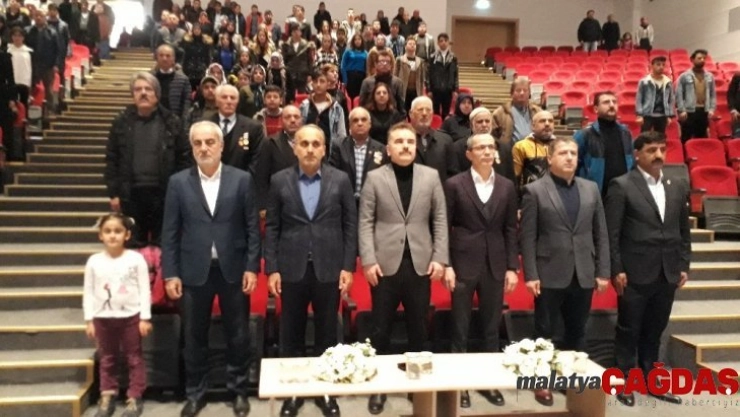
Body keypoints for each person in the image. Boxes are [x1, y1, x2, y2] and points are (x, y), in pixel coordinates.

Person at [162, 120, 261, 417]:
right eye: (198, 143)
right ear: (192, 147)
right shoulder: (178, 182)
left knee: (238, 335)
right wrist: (171, 272)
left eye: (209, 142)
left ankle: (238, 391)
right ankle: (195, 393)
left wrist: (252, 267)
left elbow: (252, 228)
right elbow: (170, 232)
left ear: (221, 145)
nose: (204, 148)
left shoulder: (242, 179)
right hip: (193, 271)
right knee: (194, 336)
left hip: (233, 269)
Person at [265, 124, 356, 417]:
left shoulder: (341, 180)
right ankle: (293, 392)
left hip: (329, 267)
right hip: (291, 267)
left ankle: (325, 391)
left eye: (316, 144)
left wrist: (348, 266)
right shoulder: (279, 180)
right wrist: (272, 268)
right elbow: (273, 228)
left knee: (327, 333)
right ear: (295, 148)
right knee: (291, 334)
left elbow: (350, 226)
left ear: (324, 149)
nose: (310, 149)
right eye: (304, 143)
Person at [359, 122, 448, 415]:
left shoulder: (431, 176)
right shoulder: (374, 178)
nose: (405, 146)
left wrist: (440, 257)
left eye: (410, 141)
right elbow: (365, 221)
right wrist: (368, 260)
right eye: (399, 142)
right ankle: (379, 387)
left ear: (416, 145)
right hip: (384, 265)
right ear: (388, 148)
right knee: (380, 330)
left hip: (420, 264)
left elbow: (439, 219)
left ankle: (417, 388)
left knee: (418, 329)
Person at [520, 137, 610, 407]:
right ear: (550, 158)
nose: (570, 157)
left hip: (583, 271)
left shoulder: (591, 188)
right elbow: (528, 237)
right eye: (563, 153)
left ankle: (573, 380)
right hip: (549, 271)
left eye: (573, 153)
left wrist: (603, 270)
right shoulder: (534, 191)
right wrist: (531, 274)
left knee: (577, 330)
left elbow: (601, 233)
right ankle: (542, 382)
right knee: (544, 331)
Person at [605, 132, 690, 408]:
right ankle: (624, 381)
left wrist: (684, 264)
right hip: (634, 271)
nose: (659, 155)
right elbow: (612, 232)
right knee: (629, 329)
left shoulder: (676, 185)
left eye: (662, 149)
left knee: (656, 329)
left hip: (667, 271)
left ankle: (652, 380)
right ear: (637, 154)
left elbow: (683, 230)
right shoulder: (621, 185)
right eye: (652, 150)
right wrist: (616, 268)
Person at [444, 133, 518, 410]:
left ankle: (489, 382)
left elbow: (510, 229)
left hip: (495, 263)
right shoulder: (454, 184)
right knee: (459, 328)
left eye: (491, 147)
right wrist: (447, 264)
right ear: (469, 154)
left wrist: (512, 267)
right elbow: (444, 226)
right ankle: (459, 384)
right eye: (481, 147)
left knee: (491, 328)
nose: (487, 151)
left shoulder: (507, 186)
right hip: (463, 263)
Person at [104, 72, 191, 248]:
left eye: (148, 89)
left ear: (157, 94)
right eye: (138, 89)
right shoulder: (121, 123)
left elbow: (184, 159)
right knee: (133, 247)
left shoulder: (172, 122)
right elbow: (112, 159)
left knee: (164, 247)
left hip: (164, 196)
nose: (143, 93)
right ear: (132, 95)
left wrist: (180, 192)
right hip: (131, 196)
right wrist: (114, 193)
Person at [83, 213, 152, 417]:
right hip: (102, 318)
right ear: (100, 235)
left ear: (127, 235)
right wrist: (89, 320)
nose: (113, 235)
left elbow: (144, 289)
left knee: (134, 357)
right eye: (108, 231)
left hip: (131, 317)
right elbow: (88, 291)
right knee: (107, 358)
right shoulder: (94, 261)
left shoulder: (136, 259)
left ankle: (135, 395)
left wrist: (145, 317)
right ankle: (108, 394)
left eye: (118, 231)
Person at [574, 91, 634, 197]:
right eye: (606, 102)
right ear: (596, 109)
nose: (611, 105)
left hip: (623, 193)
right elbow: (574, 164)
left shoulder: (626, 133)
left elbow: (631, 161)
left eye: (614, 102)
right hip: (595, 194)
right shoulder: (584, 134)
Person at [329, 106, 388, 201]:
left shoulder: (381, 149)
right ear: (350, 125)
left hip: (372, 201)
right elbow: (333, 175)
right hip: (344, 200)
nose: (360, 123)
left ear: (370, 124)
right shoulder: (339, 146)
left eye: (363, 120)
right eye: (355, 120)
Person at [210, 84, 265, 176]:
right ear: (216, 101)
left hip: (243, 180)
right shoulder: (204, 125)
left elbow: (257, 159)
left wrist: (242, 180)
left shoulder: (253, 127)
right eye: (224, 97)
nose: (229, 101)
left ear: (238, 101)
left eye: (233, 98)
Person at [255, 105, 302, 209]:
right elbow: (262, 177)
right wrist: (262, 206)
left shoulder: (311, 142)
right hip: (279, 201)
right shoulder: (270, 143)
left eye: (296, 117)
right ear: (281, 121)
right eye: (288, 117)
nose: (292, 120)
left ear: (301, 120)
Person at [298, 68, 346, 151]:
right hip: (308, 150)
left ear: (328, 84)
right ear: (312, 84)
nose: (318, 85)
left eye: (322, 81)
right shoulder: (304, 106)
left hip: (329, 151)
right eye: (315, 81)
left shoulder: (336, 108)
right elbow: (299, 131)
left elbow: (341, 135)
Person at [410, 96, 454, 182]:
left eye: (428, 110)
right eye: (420, 110)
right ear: (411, 113)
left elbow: (452, 174)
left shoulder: (445, 140)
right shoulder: (400, 140)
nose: (424, 113)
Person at [676, 49, 716, 143]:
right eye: (699, 58)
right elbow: (679, 94)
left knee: (701, 137)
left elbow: (712, 94)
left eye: (704, 58)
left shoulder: (709, 76)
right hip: (689, 111)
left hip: (704, 110)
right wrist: (681, 110)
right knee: (686, 137)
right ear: (692, 60)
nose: (702, 60)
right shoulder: (684, 76)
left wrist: (711, 109)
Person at [25, 9, 60, 114]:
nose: (38, 18)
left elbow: (58, 50)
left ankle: (50, 110)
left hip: (48, 65)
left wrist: (56, 64)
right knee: (29, 89)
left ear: (45, 17)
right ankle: (28, 112)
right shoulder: (28, 31)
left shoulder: (52, 32)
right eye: (36, 15)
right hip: (32, 65)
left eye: (41, 16)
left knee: (48, 89)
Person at [512, 110, 555, 195]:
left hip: (555, 195)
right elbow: (516, 178)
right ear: (533, 126)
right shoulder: (521, 146)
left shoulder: (560, 146)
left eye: (550, 121)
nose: (547, 124)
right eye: (542, 121)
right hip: (531, 195)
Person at [448, 106, 495, 176]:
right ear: (471, 125)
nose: (484, 125)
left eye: (487, 121)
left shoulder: (503, 147)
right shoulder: (457, 148)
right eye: (480, 122)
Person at [636, 56, 676, 134]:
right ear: (652, 66)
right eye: (658, 64)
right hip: (647, 114)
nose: (661, 67)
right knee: (645, 136)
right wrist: (639, 115)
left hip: (662, 115)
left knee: (660, 137)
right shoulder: (644, 82)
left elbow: (671, 99)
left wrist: (669, 115)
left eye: (663, 65)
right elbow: (639, 98)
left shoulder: (668, 82)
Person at [151, 44, 192, 119]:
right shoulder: (150, 78)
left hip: (175, 120)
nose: (164, 59)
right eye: (161, 55)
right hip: (154, 119)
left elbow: (186, 103)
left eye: (168, 56)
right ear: (156, 58)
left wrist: (184, 121)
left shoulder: (183, 79)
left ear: (173, 58)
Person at [426, 33, 458, 117]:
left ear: (448, 42)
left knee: (446, 112)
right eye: (441, 41)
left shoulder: (453, 57)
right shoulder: (432, 57)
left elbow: (455, 74)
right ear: (438, 43)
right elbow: (428, 74)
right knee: (435, 112)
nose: (443, 42)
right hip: (435, 89)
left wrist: (455, 89)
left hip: (448, 89)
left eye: (445, 41)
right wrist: (429, 89)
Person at [281, 22, 315, 97]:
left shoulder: (306, 45)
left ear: (301, 32)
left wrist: (310, 74)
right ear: (291, 33)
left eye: (298, 30)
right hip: (290, 73)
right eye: (294, 31)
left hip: (302, 74)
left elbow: (310, 60)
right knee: (290, 95)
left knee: (302, 95)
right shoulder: (286, 45)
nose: (296, 33)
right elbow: (284, 60)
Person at [394, 37, 425, 114]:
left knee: (415, 111)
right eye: (410, 44)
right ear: (405, 46)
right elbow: (395, 76)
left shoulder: (420, 61)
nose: (412, 45)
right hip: (403, 90)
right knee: (403, 111)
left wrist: (421, 92)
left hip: (415, 90)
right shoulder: (399, 60)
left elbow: (422, 78)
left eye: (414, 44)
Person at [181, 24, 214, 90]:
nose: (196, 31)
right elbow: (185, 57)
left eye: (198, 29)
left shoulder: (205, 43)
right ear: (192, 30)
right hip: (190, 69)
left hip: (202, 70)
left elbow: (208, 57)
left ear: (201, 30)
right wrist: (184, 68)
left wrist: (207, 67)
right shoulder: (188, 42)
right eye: (195, 29)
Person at [341, 34, 368, 99]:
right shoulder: (348, 52)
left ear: (362, 41)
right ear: (353, 41)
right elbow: (343, 66)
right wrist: (345, 79)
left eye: (359, 39)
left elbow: (367, 67)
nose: (357, 41)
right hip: (350, 77)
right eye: (355, 39)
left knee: (360, 97)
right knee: (350, 97)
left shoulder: (365, 53)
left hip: (361, 77)